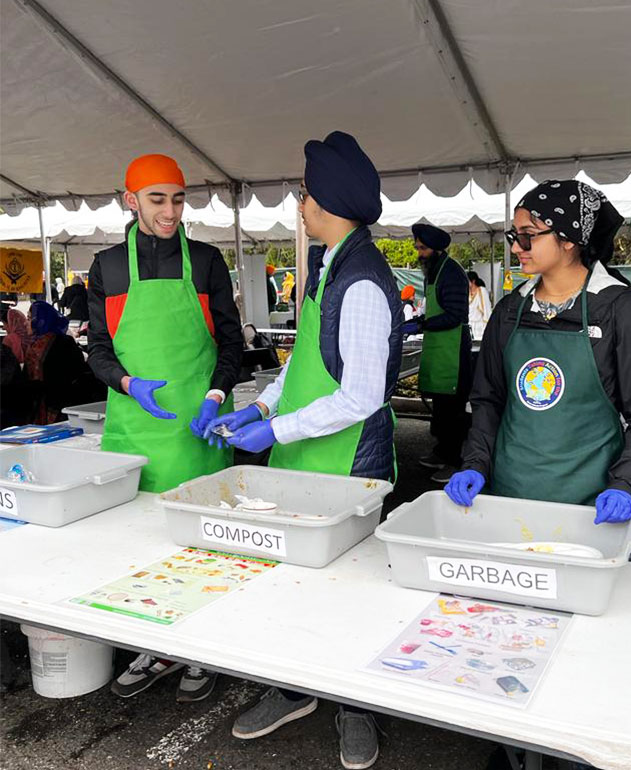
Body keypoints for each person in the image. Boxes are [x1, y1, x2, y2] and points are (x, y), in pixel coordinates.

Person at [202, 131, 402, 770]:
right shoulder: (327, 264)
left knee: (351, 588)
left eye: (307, 192)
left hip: (348, 461)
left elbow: (360, 396)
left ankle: (355, 706)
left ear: (331, 201)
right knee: (295, 582)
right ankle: (294, 688)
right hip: (302, 455)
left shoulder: (364, 280)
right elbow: (304, 362)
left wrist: (278, 430)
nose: (300, 203)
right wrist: (261, 407)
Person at [87, 153, 242, 703]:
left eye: (178, 199)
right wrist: (127, 384)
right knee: (139, 548)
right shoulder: (106, 267)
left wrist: (216, 395)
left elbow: (231, 343)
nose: (171, 211)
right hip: (134, 430)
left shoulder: (206, 261)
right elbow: (98, 351)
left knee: (201, 545)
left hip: (198, 429)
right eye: (157, 199)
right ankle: (154, 645)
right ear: (130, 200)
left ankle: (200, 649)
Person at [445, 180, 631, 528]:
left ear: (568, 239)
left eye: (528, 236)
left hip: (591, 502)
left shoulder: (620, 309)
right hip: (510, 491)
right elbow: (488, 400)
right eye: (514, 236)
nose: (516, 247)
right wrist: (475, 462)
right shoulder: (509, 311)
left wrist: (627, 483)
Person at [408, 223, 472, 483]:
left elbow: (455, 315)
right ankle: (442, 451)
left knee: (452, 410)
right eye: (418, 247)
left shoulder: (452, 273)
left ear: (435, 249)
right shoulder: (434, 272)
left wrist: (422, 325)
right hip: (439, 348)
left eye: (422, 248)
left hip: (453, 351)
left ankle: (455, 461)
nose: (419, 253)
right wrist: (419, 320)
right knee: (441, 409)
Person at [24, 301, 100, 424]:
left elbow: (74, 373)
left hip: (62, 407)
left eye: (29, 319)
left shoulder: (63, 343)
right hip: (43, 406)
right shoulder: (33, 345)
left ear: (40, 321)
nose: (25, 323)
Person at [467, 270, 491, 340]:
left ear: (473, 281)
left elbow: (487, 308)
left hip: (479, 324)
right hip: (469, 324)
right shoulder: (467, 292)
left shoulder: (481, 291)